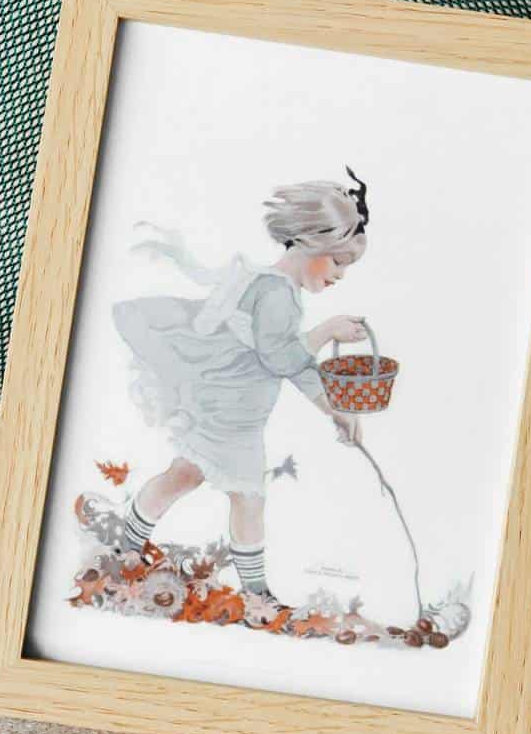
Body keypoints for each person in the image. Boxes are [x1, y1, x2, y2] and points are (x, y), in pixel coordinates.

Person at [79, 170, 371, 627]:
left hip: (232, 407)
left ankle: (127, 546)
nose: (340, 275)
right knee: (248, 497)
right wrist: (334, 399)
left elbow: (281, 354)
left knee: (185, 474)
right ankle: (256, 596)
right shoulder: (276, 293)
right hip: (232, 415)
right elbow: (284, 359)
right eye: (338, 262)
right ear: (312, 245)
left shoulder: (274, 288)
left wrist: (327, 367)